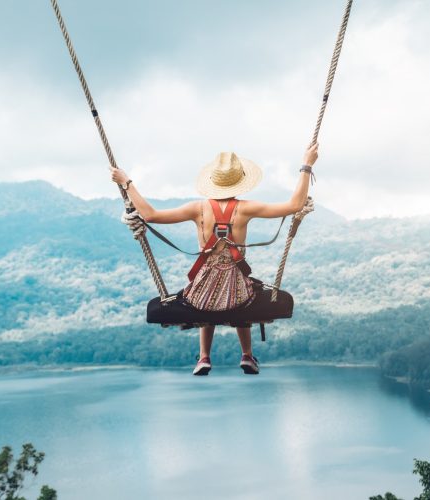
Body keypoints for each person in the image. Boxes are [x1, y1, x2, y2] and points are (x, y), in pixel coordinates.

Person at [111, 143, 318, 376]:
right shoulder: (246, 209)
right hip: (237, 293)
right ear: (239, 181)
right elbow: (294, 205)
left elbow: (151, 215)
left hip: (202, 294)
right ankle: (247, 355)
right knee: (245, 292)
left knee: (204, 302)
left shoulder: (197, 209)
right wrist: (306, 164)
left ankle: (204, 357)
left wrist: (126, 183)